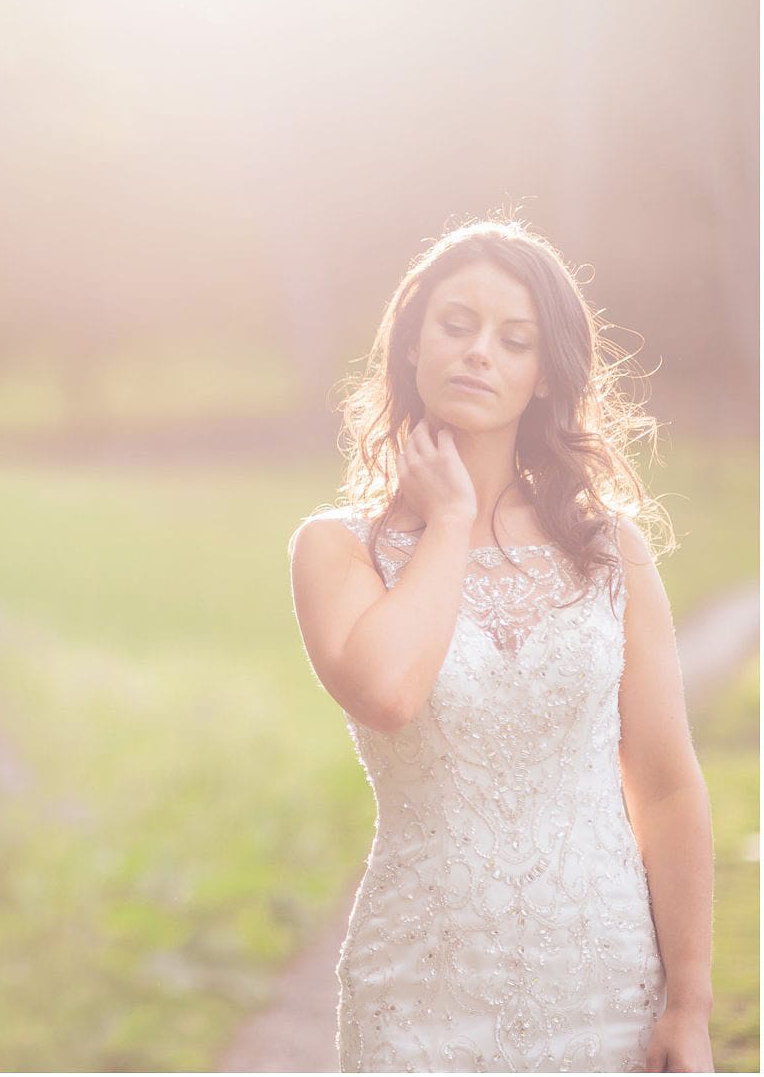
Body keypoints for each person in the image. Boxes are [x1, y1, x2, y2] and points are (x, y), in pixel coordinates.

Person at [287, 219, 714, 1072]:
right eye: (456, 325)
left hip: (604, 979)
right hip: (420, 986)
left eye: (513, 338)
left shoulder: (609, 551)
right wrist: (447, 518)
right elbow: (387, 693)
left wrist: (692, 1001)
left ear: (544, 374)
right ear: (412, 346)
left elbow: (664, 785)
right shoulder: (337, 547)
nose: (480, 352)